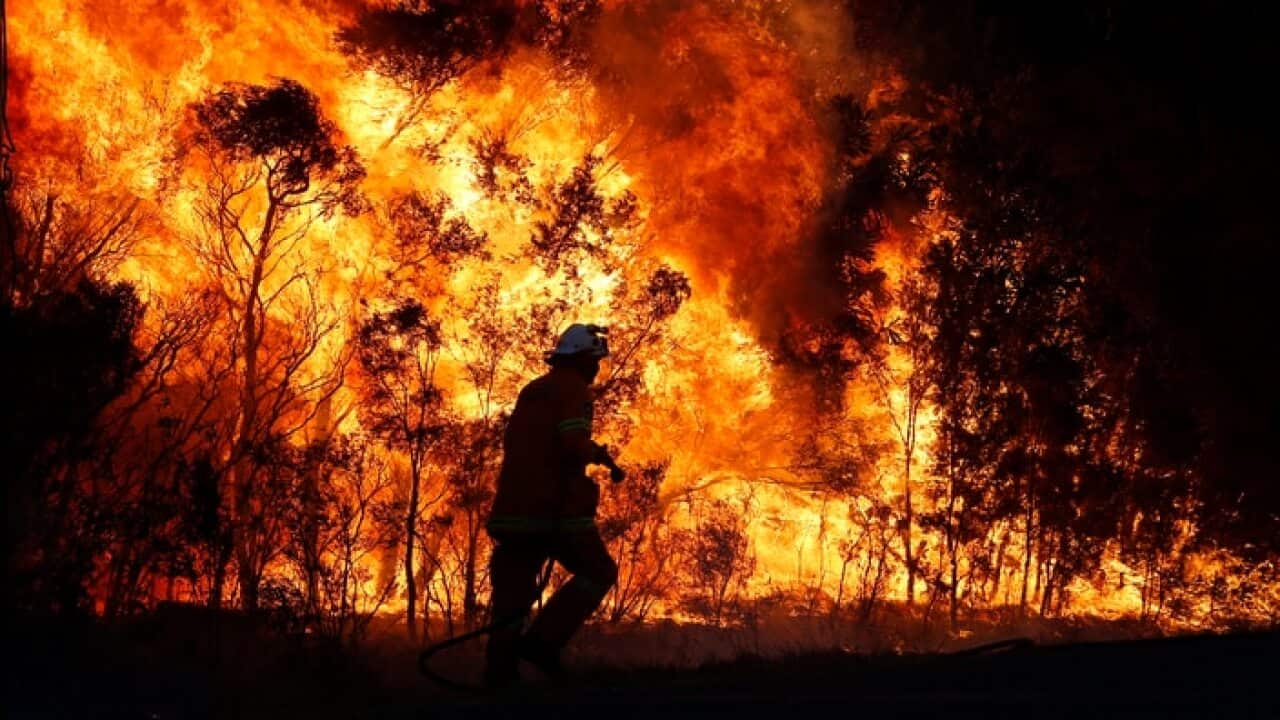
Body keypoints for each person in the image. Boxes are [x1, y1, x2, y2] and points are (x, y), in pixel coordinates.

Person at [483, 323, 623, 688]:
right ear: (581, 360)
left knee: (512, 596)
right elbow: (572, 442)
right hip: (553, 511)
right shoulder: (574, 390)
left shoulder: (533, 390)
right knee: (599, 570)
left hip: (513, 510)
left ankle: (499, 676)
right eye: (595, 360)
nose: (597, 368)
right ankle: (543, 644)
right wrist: (596, 454)